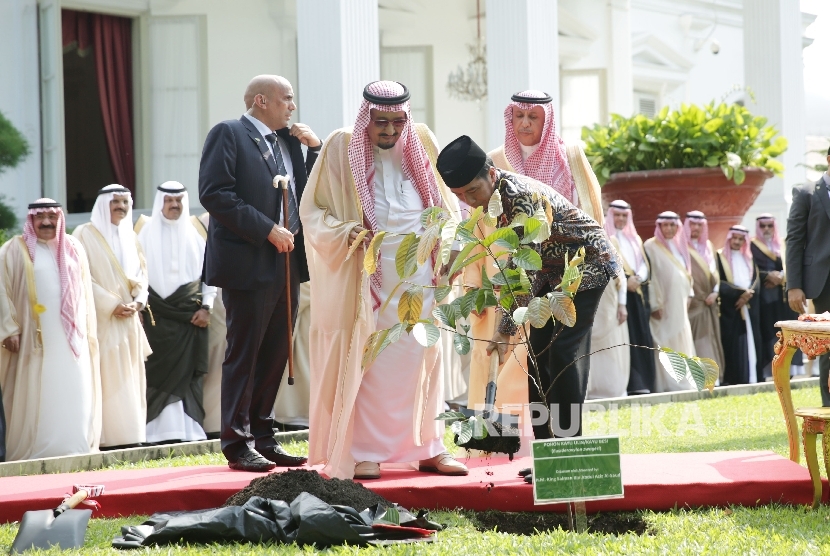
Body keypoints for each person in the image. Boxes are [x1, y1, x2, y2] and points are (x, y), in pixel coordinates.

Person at [300, 80, 466, 480]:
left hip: (420, 273)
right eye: (380, 123)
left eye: (397, 122)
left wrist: (446, 249)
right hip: (366, 276)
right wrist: (346, 234)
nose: (390, 131)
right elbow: (313, 211)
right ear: (366, 119)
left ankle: (427, 447)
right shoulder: (341, 147)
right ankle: (365, 451)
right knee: (372, 359)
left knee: (421, 356)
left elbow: (446, 205)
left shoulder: (421, 141)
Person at [436, 135, 622, 442]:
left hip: (585, 262)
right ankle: (546, 449)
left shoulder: (518, 195)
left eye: (472, 191)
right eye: (460, 195)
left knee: (562, 353)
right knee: (537, 357)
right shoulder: (490, 200)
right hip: (549, 270)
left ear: (491, 174)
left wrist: (504, 328)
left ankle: (567, 448)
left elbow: (521, 267)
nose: (469, 200)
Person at [199, 75, 318, 471]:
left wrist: (314, 150)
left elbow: (307, 191)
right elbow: (215, 193)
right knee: (245, 352)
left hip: (286, 262)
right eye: (287, 99)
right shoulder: (228, 134)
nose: (293, 106)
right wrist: (266, 228)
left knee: (276, 351)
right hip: (249, 260)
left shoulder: (286, 140)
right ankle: (236, 442)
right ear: (261, 101)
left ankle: (264, 437)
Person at [0, 199, 101, 461]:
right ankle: (37, 452)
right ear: (31, 220)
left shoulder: (74, 247)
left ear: (60, 218)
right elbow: (2, 292)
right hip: (35, 341)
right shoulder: (13, 250)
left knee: (75, 388)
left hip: (72, 339)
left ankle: (76, 449)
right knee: (40, 393)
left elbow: (86, 293)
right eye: (40, 217)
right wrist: (9, 328)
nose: (46, 222)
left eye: (52, 216)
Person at [73, 184, 151, 448]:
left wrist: (138, 302)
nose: (120, 207)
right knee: (105, 377)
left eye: (124, 202)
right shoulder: (83, 234)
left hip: (129, 320)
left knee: (130, 377)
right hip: (102, 320)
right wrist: (111, 304)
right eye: (114, 202)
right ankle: (106, 438)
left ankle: (131, 437)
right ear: (103, 204)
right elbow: (82, 279)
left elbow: (142, 275)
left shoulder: (131, 236)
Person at [138, 183, 215, 443]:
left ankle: (188, 430)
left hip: (190, 319)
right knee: (155, 373)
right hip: (154, 319)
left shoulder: (197, 234)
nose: (174, 205)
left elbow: (210, 275)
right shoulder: (143, 235)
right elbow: (135, 277)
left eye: (179, 200)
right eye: (169, 200)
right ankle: (153, 432)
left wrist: (207, 307)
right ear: (160, 202)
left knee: (188, 374)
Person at [787, 154, 830, 405]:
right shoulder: (806, 193)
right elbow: (794, 240)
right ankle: (828, 407)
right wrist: (794, 285)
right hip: (824, 282)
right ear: (828, 158)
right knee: (829, 345)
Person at [605, 200, 657, 395]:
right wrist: (628, 281)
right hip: (618, 297)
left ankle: (643, 383)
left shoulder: (635, 239)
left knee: (641, 339)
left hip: (638, 296)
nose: (620, 219)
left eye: (624, 215)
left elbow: (644, 263)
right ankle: (630, 384)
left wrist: (638, 278)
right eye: (617, 215)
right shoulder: (606, 238)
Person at [644, 212, 695, 392]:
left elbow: (687, 273)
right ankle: (668, 384)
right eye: (665, 225)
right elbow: (651, 278)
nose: (668, 229)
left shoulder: (681, 245)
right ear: (659, 227)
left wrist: (690, 294)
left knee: (681, 338)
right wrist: (655, 304)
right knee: (665, 341)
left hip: (680, 303)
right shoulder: (650, 246)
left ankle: (683, 381)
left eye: (672, 225)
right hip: (663, 305)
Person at [752, 214, 803, 377]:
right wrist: (767, 275)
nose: (766, 229)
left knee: (789, 334)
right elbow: (750, 269)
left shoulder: (783, 244)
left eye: (769, 226)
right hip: (765, 300)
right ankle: (771, 370)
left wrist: (782, 277)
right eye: (763, 226)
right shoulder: (752, 246)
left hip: (785, 299)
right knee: (770, 334)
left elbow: (793, 264)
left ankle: (790, 370)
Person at [683, 211, 726, 378]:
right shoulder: (682, 246)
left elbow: (715, 273)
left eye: (699, 225)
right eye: (692, 224)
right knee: (697, 340)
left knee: (711, 339)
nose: (695, 228)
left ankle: (714, 376)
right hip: (694, 304)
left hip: (710, 303)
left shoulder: (708, 246)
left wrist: (715, 292)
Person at [717, 225, 761, 385]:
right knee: (734, 344)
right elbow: (718, 282)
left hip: (749, 308)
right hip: (732, 309)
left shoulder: (749, 258)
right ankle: (735, 378)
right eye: (734, 238)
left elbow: (756, 281)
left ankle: (753, 377)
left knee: (752, 342)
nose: (736, 242)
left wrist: (749, 295)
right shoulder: (720, 258)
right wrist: (739, 294)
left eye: (740, 239)